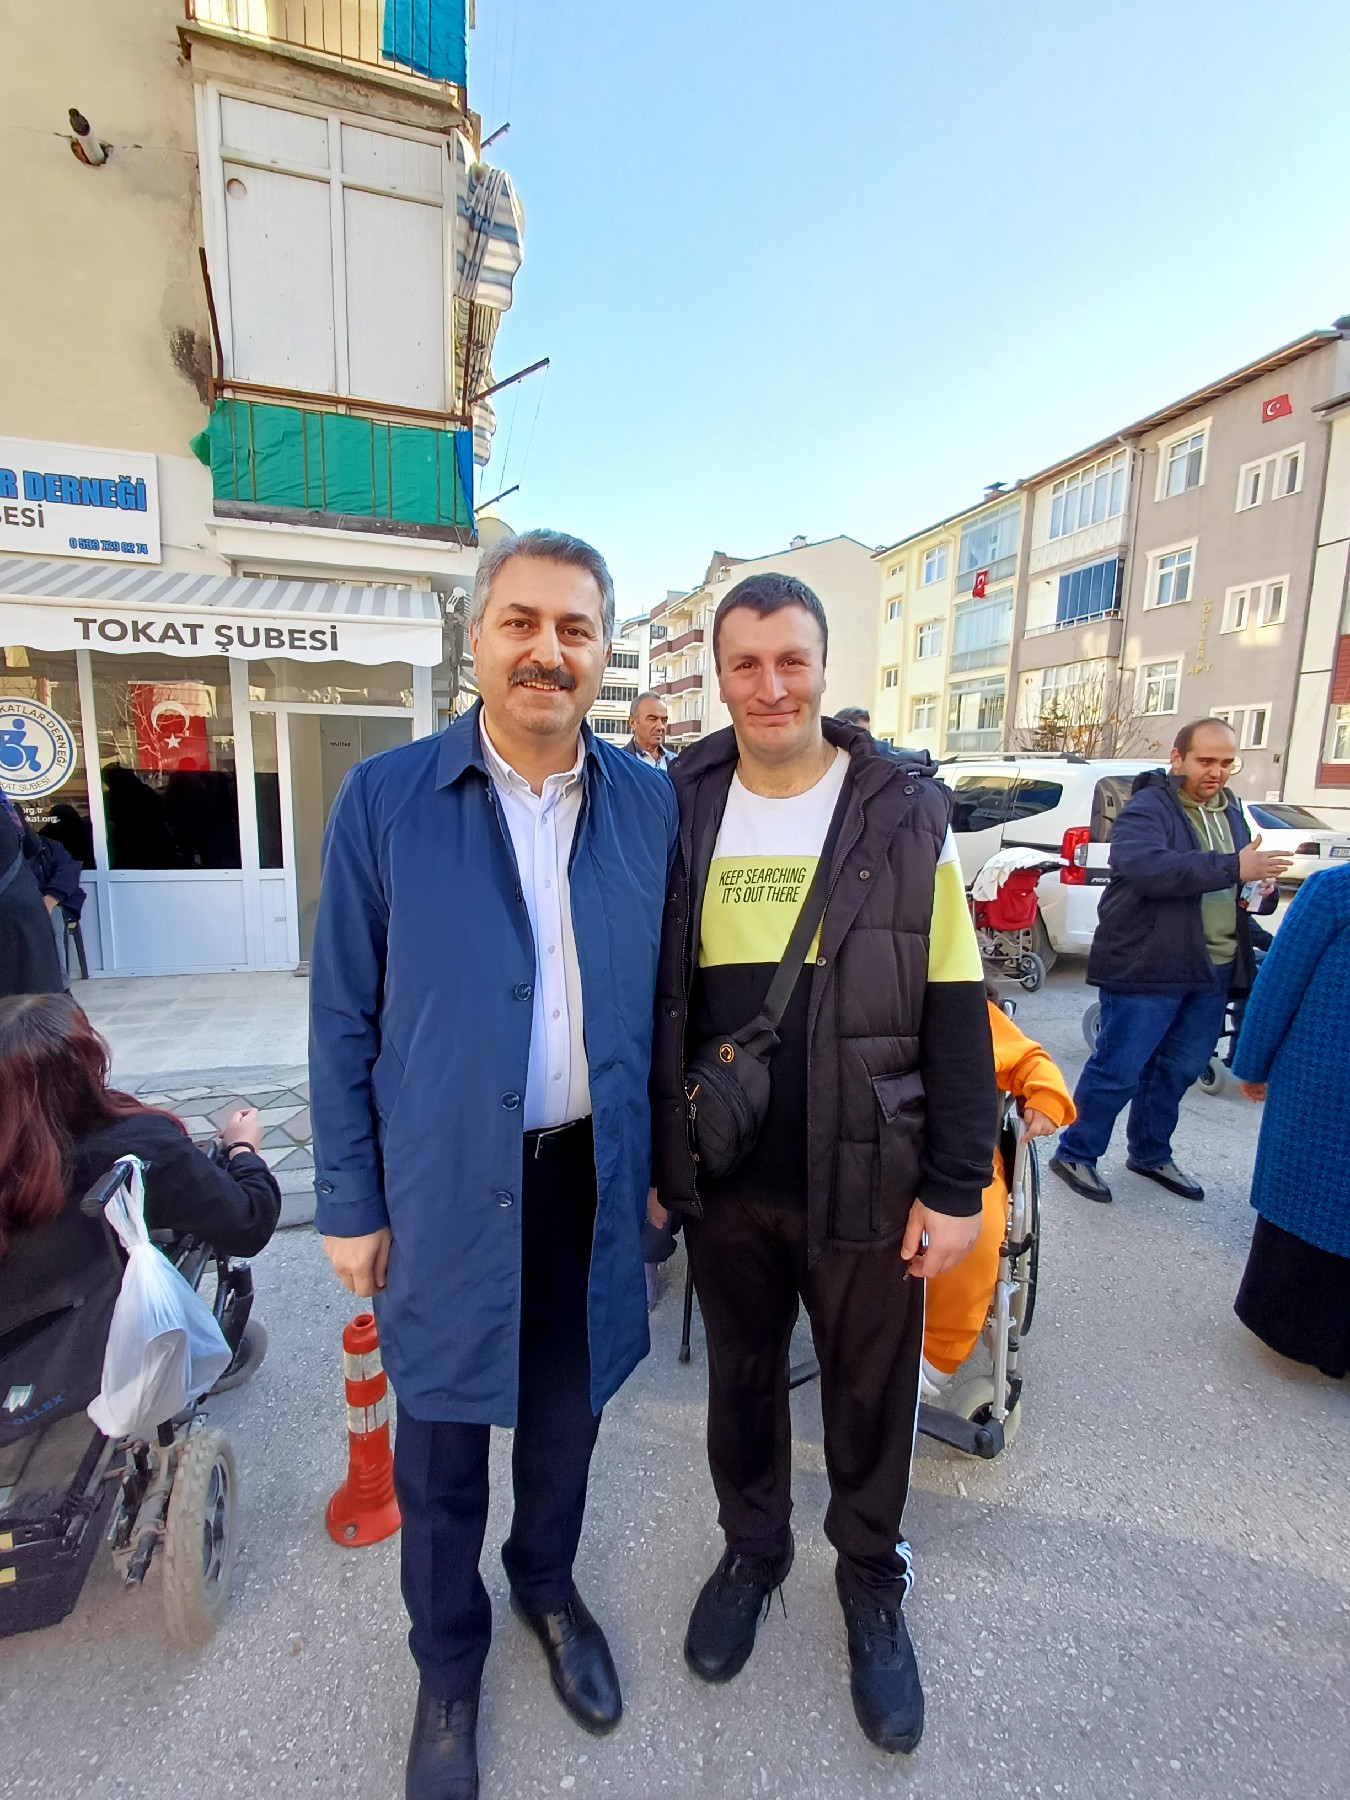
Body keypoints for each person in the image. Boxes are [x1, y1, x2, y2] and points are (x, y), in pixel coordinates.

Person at [310, 529, 678, 1800]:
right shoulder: (386, 801)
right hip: (443, 1182)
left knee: (568, 1418)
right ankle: (448, 1664)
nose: (546, 651)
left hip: (592, 1177)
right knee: (441, 1443)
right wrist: (349, 1200)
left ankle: (548, 1589)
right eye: (521, 622)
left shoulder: (649, 804)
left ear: (606, 653)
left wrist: (661, 1168)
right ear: (476, 639)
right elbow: (342, 1014)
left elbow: (669, 1006)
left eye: (575, 629)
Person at [649, 572, 996, 1757]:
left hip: (872, 1171)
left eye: (790, 660)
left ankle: (871, 1580)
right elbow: (655, 1000)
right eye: (745, 664)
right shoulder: (679, 801)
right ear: (717, 675)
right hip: (728, 1177)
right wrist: (656, 1155)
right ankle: (753, 1553)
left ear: (824, 666)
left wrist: (957, 1183)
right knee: (741, 1381)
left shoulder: (901, 812)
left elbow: (956, 1002)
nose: (770, 687)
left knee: (866, 1392)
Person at [1050, 718, 1289, 1205]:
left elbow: (1234, 881)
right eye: (1206, 761)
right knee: (1119, 1069)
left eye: (1227, 763)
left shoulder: (1232, 810)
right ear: (1177, 758)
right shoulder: (1147, 807)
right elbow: (1147, 868)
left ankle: (1150, 1153)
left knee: (1178, 1069)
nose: (1216, 772)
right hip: (1149, 963)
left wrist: (1256, 886)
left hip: (1212, 965)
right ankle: (1076, 1152)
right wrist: (1232, 867)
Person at [0, 992, 280, 1398]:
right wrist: (242, 1148)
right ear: (86, 1064)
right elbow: (249, 1221)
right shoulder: (138, 1149)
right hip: (105, 1349)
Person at [921, 985, 1075, 1396]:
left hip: (961, 1154)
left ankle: (936, 1352)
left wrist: (1045, 1095)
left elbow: (1028, 1059)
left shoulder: (964, 1005)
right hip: (875, 1149)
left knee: (977, 1230)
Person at [1230, 862, 1350, 1379]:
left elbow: (1280, 983)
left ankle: (1297, 1333)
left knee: (1311, 1199)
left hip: (1325, 1078)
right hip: (1328, 1080)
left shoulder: (1336, 890)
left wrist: (1252, 1063)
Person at [0, 795, 64, 1000]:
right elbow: (31, 846)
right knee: (35, 992)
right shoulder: (8, 809)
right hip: (27, 906)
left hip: (10, 912)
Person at [623, 691, 677, 771]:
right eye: (652, 719)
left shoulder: (677, 763)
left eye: (664, 720)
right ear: (633, 723)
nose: (660, 727)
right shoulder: (618, 762)